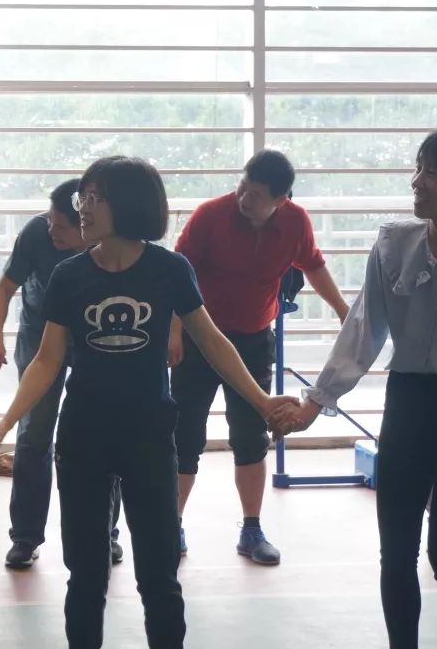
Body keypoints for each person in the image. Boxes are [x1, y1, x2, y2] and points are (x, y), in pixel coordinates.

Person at [0, 157, 299, 649]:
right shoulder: (69, 276)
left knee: (158, 575)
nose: (83, 208)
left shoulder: (169, 269)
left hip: (148, 437)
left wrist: (262, 400)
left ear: (127, 204)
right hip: (83, 438)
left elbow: (212, 341)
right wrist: (4, 425)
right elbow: (46, 360)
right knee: (86, 575)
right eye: (82, 197)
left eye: (94, 198)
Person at [273, 131, 437, 649]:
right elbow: (364, 329)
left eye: (433, 172)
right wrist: (315, 401)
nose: (417, 182)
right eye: (418, 167)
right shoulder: (396, 244)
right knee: (397, 551)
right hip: (410, 404)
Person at [169, 149, 349, 565]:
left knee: (251, 436)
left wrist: (343, 310)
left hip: (252, 341)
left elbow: (314, 266)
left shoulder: (295, 222)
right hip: (199, 340)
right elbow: (176, 274)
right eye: (242, 187)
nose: (244, 198)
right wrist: (174, 331)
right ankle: (171, 524)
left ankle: (252, 529)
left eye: (256, 195)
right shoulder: (210, 216)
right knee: (185, 435)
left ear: (281, 200)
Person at [0, 179, 122, 569]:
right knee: (34, 433)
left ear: (86, 224)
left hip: (92, 337)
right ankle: (25, 537)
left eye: (61, 227)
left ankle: (106, 532)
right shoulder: (36, 234)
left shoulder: (110, 245)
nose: (51, 231)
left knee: (102, 432)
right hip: (38, 334)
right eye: (49, 221)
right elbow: (3, 289)